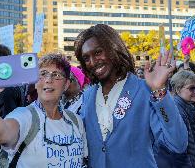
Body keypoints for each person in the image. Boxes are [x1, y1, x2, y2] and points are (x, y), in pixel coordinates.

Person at [74, 24, 187, 167]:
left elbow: (178, 144)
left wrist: (159, 91)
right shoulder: (87, 95)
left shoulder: (144, 90)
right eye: (86, 58)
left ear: (113, 48)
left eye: (97, 52)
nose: (93, 62)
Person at [0, 53, 88, 167]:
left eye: (56, 75)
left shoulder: (76, 121)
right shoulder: (25, 116)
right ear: (35, 82)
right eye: (43, 74)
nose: (48, 80)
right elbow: (1, 134)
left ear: (66, 84)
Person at [154, 70, 195, 167]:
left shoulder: (187, 105)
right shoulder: (177, 110)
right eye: (192, 88)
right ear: (177, 89)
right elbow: (182, 148)